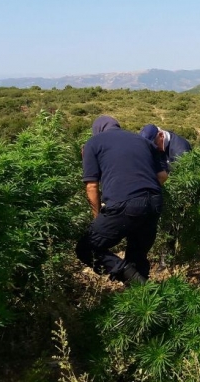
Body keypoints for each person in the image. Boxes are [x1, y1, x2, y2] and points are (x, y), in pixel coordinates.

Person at [76, 116, 168, 285]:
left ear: (98, 130)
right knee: (137, 255)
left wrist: (98, 218)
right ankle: (145, 300)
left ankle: (134, 280)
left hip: (126, 204)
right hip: (154, 202)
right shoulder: (143, 141)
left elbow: (91, 186)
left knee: (87, 247)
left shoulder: (94, 143)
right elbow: (162, 175)